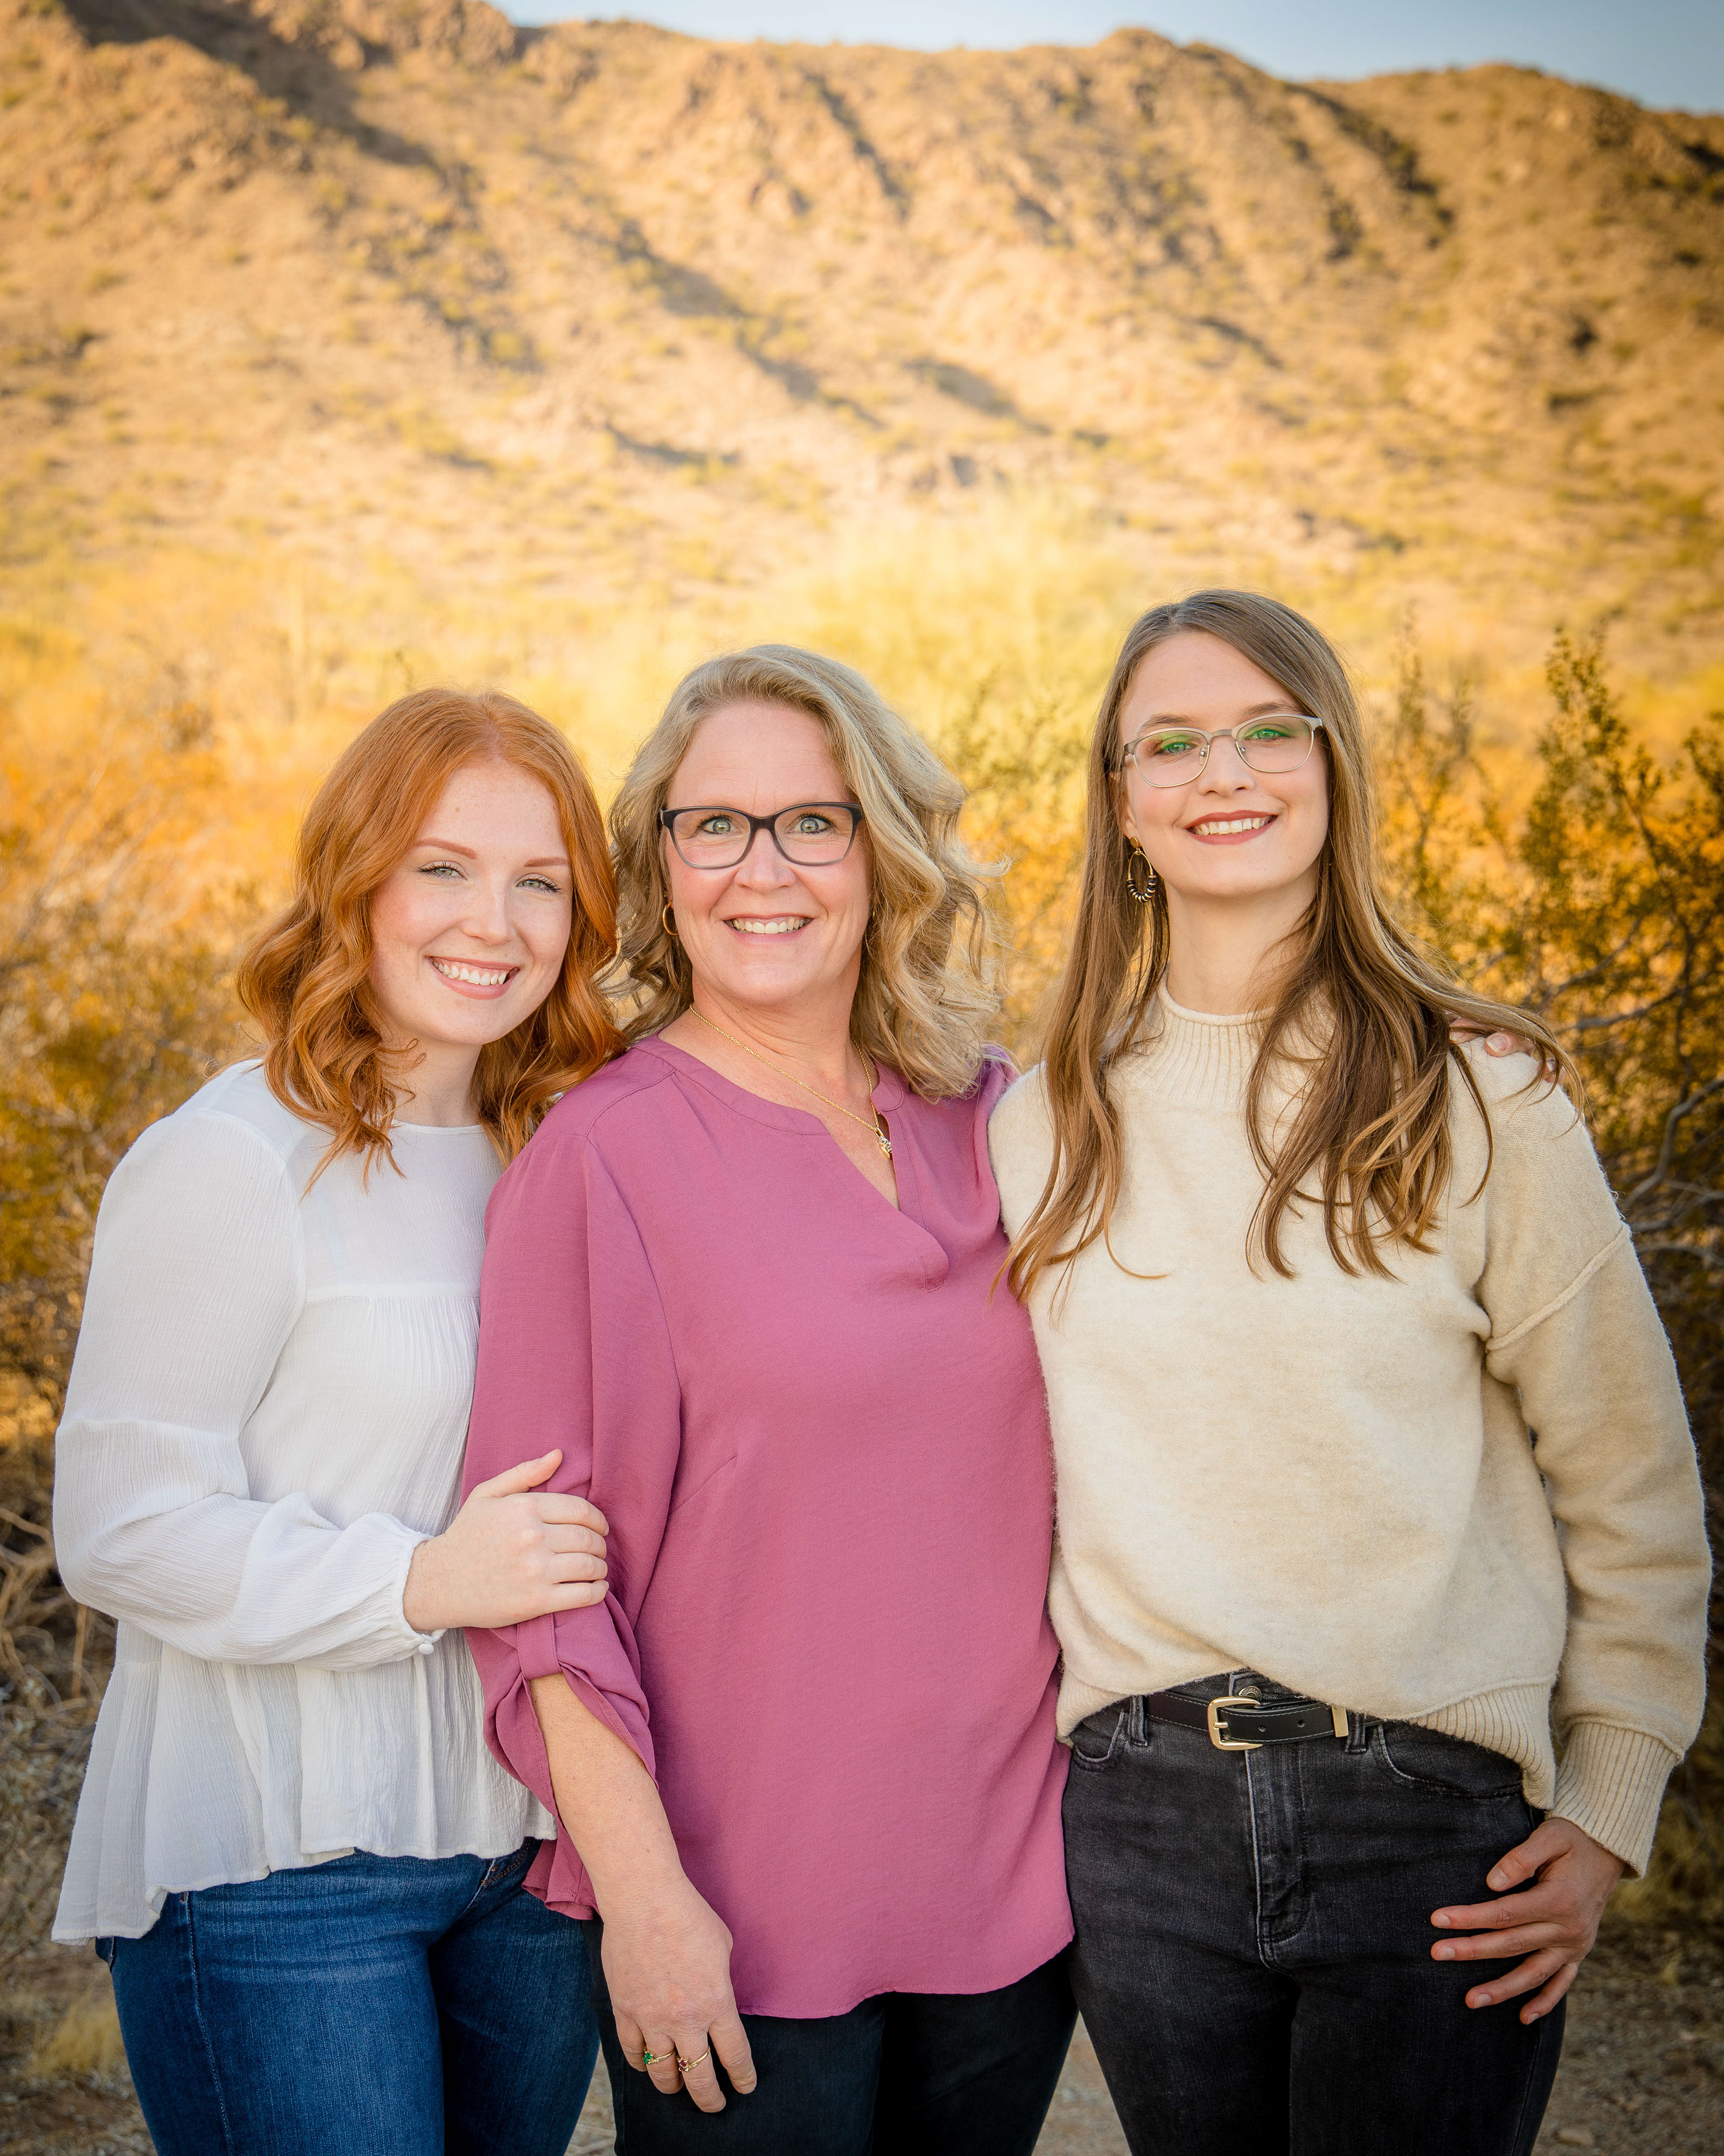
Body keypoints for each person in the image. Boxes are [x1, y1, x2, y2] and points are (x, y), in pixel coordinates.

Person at [988, 591, 1713, 2156]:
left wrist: (1611, 1797)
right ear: (1121, 802)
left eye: (1269, 729)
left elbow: (1631, 1480)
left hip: (1430, 1819)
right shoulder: (1043, 1122)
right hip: (1139, 1819)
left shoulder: (1478, 1097)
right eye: (1171, 743)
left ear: (1334, 763)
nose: (1223, 772)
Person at [462, 646, 1075, 2155]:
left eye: (813, 822)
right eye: (714, 826)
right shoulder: (601, 1156)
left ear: (883, 851)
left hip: (1013, 1889)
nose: (763, 870)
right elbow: (546, 1592)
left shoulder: (992, 1116)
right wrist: (647, 1903)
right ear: (660, 865)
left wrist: (1413, 1032)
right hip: (739, 1914)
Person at [52, 689, 624, 2156]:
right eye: (443, 867)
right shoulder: (231, 1160)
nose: (494, 921)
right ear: (355, 878)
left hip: (534, 1853)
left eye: (541, 881)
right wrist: (420, 1582)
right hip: (285, 1864)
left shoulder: (560, 1154)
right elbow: (119, 1531)